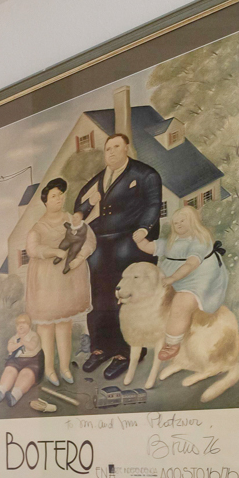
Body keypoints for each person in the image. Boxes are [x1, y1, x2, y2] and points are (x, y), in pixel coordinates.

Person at [77, 130, 166, 376]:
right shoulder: (99, 178)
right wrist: (89, 204)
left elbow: (153, 205)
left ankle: (126, 351)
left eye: (116, 147)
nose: (111, 152)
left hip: (129, 243)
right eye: (108, 148)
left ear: (126, 148)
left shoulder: (145, 174)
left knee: (126, 298)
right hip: (100, 245)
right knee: (99, 298)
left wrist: (142, 229)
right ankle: (100, 348)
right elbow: (79, 206)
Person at [8, 177, 93, 384]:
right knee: (46, 327)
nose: (59, 199)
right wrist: (52, 251)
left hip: (67, 280)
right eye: (54, 196)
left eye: (61, 195)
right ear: (45, 201)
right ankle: (49, 369)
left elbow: (90, 238)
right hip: (46, 281)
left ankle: (64, 367)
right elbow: (32, 248)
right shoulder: (39, 226)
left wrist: (80, 257)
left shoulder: (72, 219)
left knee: (65, 324)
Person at [134, 198, 229, 362]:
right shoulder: (172, 242)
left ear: (193, 221)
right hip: (174, 279)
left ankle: (172, 343)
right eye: (175, 222)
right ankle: (148, 330)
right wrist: (140, 241)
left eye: (182, 220)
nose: (178, 224)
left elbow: (191, 265)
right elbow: (150, 248)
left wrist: (173, 278)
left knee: (181, 303)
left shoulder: (199, 242)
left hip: (197, 279)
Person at [0, 313, 40, 407]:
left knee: (26, 374)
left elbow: (32, 346)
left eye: (24, 323)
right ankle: (1, 390)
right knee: (9, 371)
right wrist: (18, 344)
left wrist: (23, 341)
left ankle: (15, 395)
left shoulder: (34, 336)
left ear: (29, 325)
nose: (20, 326)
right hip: (16, 361)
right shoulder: (14, 338)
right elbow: (10, 348)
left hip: (31, 361)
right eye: (18, 324)